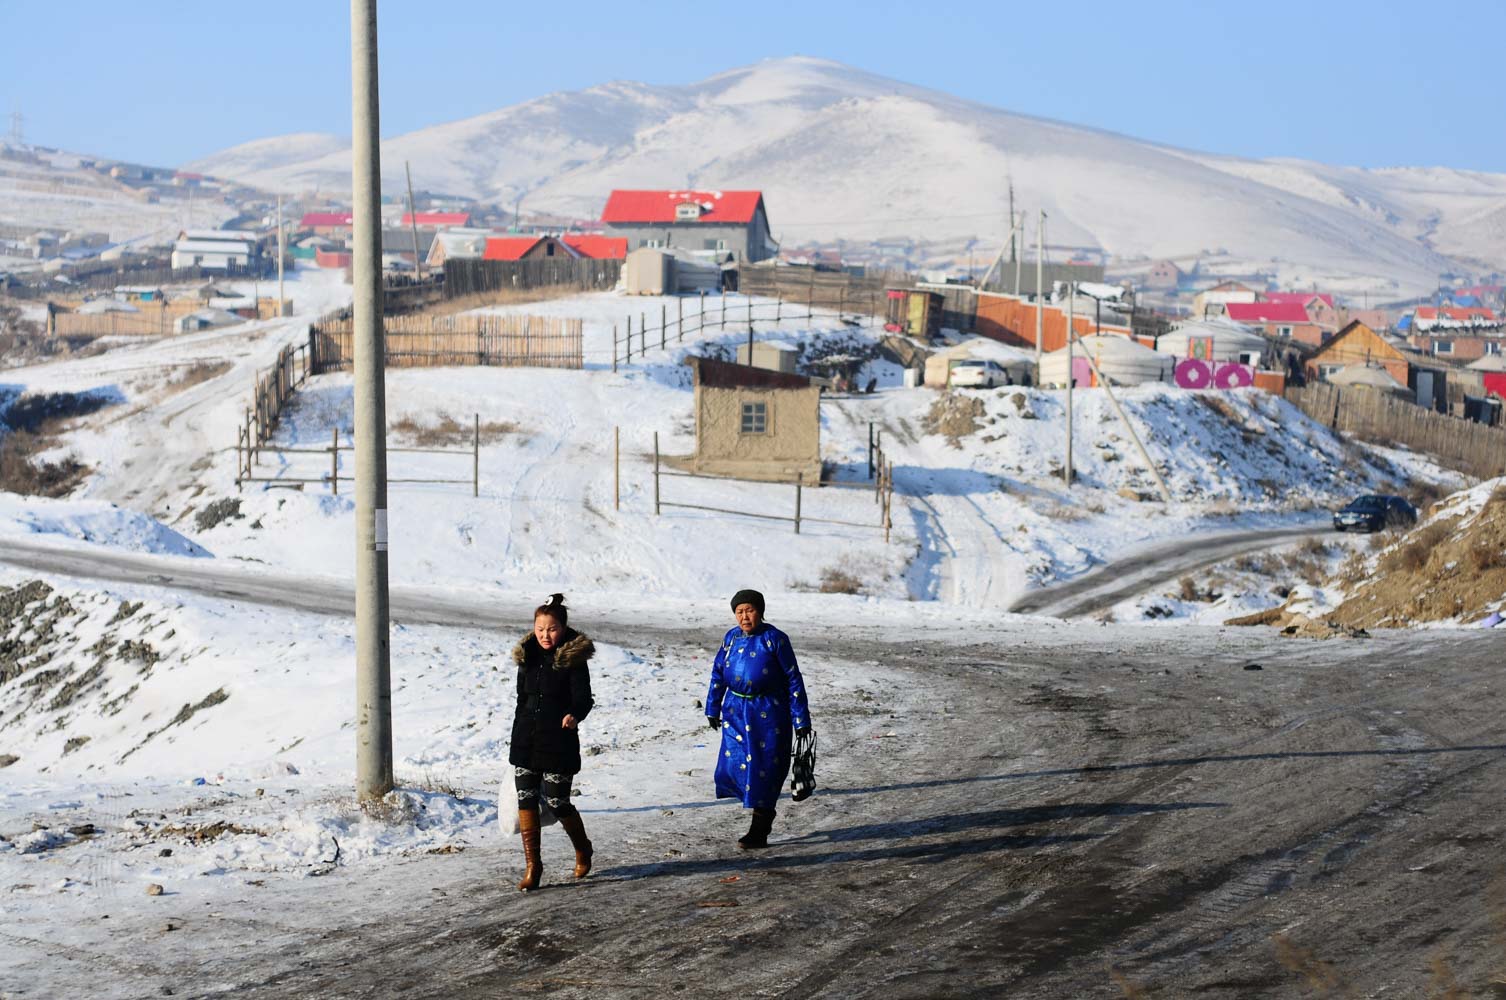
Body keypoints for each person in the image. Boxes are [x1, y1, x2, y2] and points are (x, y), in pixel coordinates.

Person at [705, 589, 813, 849]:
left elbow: (792, 678)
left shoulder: (775, 639)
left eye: (749, 610)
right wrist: (713, 707)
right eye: (739, 611)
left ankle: (760, 828)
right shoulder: (730, 638)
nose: (744, 616)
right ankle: (754, 811)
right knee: (734, 765)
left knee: (764, 770)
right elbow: (718, 673)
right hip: (735, 711)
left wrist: (801, 720)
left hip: (768, 713)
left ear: (760, 612)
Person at [509, 593, 595, 892]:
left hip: (558, 740)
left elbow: (584, 698)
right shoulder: (528, 656)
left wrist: (575, 715)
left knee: (558, 801)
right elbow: (522, 698)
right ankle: (534, 865)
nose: (546, 635)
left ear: (564, 628)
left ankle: (583, 848)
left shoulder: (573, 660)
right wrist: (517, 734)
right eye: (540, 628)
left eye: (552, 628)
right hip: (526, 739)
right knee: (526, 800)